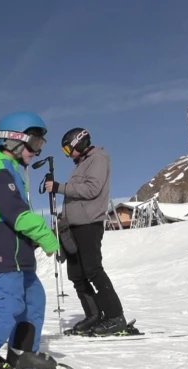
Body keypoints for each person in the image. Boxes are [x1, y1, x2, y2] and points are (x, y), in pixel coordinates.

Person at [0, 111, 60, 369]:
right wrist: (44, 234)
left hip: (19, 254)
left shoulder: (12, 171)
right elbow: (13, 212)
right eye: (35, 144)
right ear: (15, 140)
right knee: (10, 301)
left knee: (33, 298)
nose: (37, 151)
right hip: (3, 251)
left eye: (41, 146)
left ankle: (21, 352)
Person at [43, 127, 126, 337]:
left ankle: (115, 316)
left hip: (89, 224)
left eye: (68, 149)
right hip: (73, 226)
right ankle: (94, 314)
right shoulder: (81, 164)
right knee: (77, 275)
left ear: (79, 142)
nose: (68, 154)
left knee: (93, 270)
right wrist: (63, 218)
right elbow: (74, 198)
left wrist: (60, 187)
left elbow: (92, 189)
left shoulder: (98, 158)